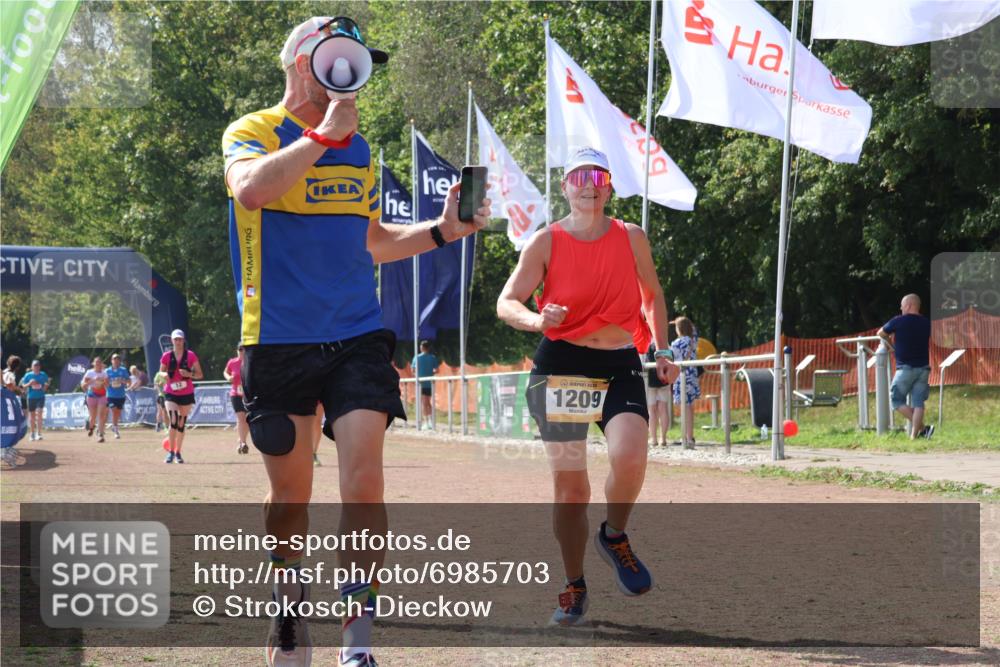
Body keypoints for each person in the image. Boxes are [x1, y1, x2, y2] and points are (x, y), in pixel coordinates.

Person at [222, 16, 488, 667]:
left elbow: (371, 240)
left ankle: (357, 642)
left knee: (364, 482)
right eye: (336, 60)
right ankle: (289, 607)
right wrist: (320, 136)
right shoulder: (252, 130)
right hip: (277, 338)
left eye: (357, 64)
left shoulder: (360, 147)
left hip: (357, 334)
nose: (349, 77)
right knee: (290, 498)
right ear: (302, 63)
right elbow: (252, 190)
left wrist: (442, 231)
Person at [496, 147, 679, 627]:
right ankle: (574, 585)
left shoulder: (631, 236)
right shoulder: (545, 242)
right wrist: (537, 319)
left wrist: (662, 349)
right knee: (571, 487)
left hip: (619, 360)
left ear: (609, 187)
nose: (589, 186)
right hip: (562, 365)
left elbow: (652, 295)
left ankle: (614, 535)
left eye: (598, 178)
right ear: (565, 187)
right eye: (579, 177)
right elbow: (506, 301)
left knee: (631, 454)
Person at [877, 293, 934, 439]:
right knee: (918, 403)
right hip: (923, 368)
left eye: (902, 306)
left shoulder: (898, 321)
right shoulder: (926, 323)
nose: (901, 309)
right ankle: (915, 436)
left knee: (896, 400)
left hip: (906, 368)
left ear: (908, 305)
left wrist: (891, 344)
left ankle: (923, 428)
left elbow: (881, 333)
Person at [159, 329, 203, 463]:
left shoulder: (191, 355)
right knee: (173, 421)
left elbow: (200, 375)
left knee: (181, 424)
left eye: (180, 339)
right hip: (171, 392)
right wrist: (164, 375)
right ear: (172, 341)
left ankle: (178, 452)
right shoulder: (166, 356)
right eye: (175, 339)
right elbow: (160, 372)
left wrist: (189, 374)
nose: (178, 342)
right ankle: (170, 452)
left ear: (183, 341)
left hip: (186, 393)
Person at [670, 317, 701, 448]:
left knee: (684, 407)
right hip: (692, 375)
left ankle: (686, 438)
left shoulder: (676, 343)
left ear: (679, 329)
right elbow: (695, 331)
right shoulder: (693, 341)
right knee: (690, 407)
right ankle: (689, 436)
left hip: (681, 375)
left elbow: (671, 357)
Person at [224, 345, 250, 454]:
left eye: (243, 349)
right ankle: (243, 443)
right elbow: (225, 372)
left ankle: (241, 438)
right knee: (240, 417)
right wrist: (228, 377)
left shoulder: (250, 362)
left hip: (248, 393)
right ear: (237, 351)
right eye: (239, 349)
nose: (241, 351)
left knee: (248, 419)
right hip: (235, 393)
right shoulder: (232, 362)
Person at [644, 343, 670, 446]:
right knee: (663, 409)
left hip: (650, 380)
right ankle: (663, 438)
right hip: (664, 379)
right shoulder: (664, 343)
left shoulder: (646, 343)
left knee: (651, 410)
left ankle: (653, 439)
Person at [19, 360, 51, 441]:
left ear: (39, 367)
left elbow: (47, 383)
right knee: (32, 415)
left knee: (40, 413)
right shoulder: (28, 375)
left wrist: (45, 386)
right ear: (32, 367)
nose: (36, 367)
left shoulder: (43, 374)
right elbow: (23, 386)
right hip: (31, 397)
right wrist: (30, 383)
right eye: (35, 366)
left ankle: (39, 434)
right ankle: (32, 433)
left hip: (40, 397)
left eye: (38, 366)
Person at [411, 340, 439, 430]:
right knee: (428, 402)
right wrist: (430, 373)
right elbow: (437, 370)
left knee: (424, 403)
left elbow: (413, 370)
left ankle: (427, 422)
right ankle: (430, 421)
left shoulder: (417, 357)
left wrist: (418, 375)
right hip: (429, 383)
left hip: (421, 384)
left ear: (422, 348)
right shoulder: (432, 357)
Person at [81, 357, 109, 443]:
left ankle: (101, 435)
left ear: (101, 364)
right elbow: (84, 385)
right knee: (93, 417)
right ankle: (91, 427)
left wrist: (103, 382)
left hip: (102, 395)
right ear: (93, 364)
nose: (98, 364)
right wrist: (93, 380)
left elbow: (107, 385)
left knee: (101, 415)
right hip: (91, 395)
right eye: (96, 362)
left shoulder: (104, 373)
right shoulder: (89, 372)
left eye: (99, 362)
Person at [105, 353, 131, 440]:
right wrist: (109, 383)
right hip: (110, 395)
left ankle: (114, 426)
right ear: (111, 361)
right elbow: (104, 383)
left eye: (118, 360)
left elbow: (129, 381)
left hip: (121, 395)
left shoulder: (123, 370)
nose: (116, 361)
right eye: (114, 359)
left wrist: (123, 381)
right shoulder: (107, 371)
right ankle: (116, 431)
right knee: (114, 410)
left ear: (120, 361)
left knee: (117, 413)